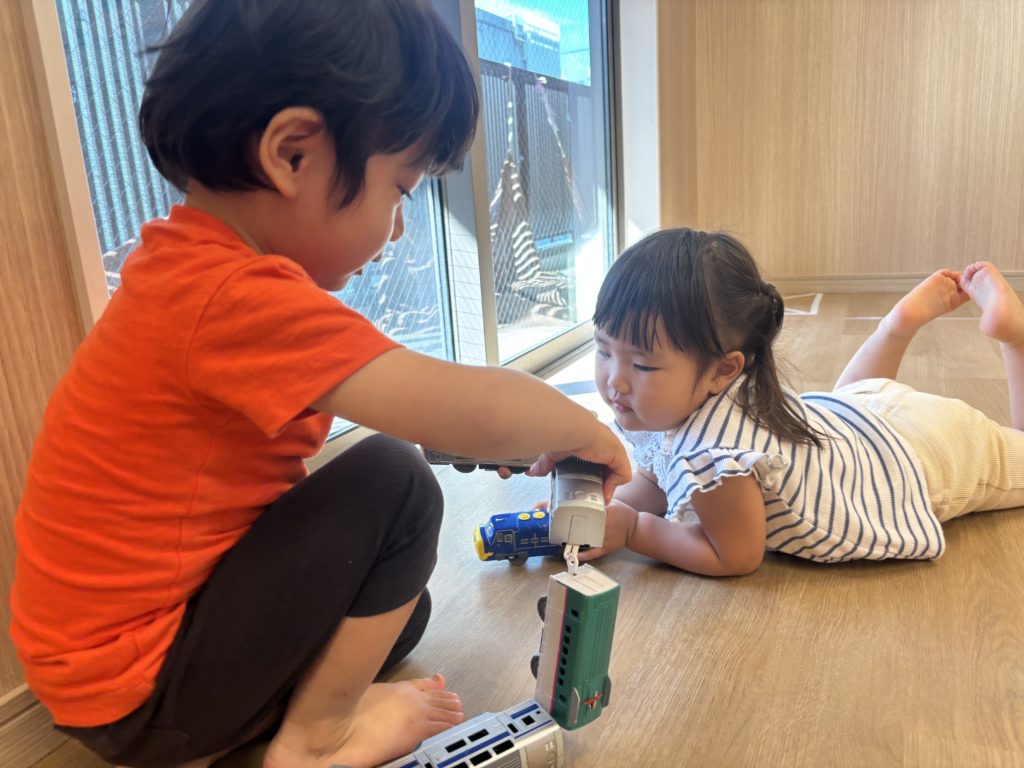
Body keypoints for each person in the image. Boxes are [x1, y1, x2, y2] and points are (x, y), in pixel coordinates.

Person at [8, 2, 630, 768]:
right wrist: (582, 429)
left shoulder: (184, 268)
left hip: (120, 676)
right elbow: (453, 406)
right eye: (400, 189)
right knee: (396, 486)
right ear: (293, 154)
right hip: (144, 693)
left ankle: (259, 726)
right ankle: (312, 742)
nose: (398, 227)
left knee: (397, 606)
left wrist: (483, 437)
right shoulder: (235, 297)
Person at [569, 227, 1024, 577]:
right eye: (604, 351)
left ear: (723, 370)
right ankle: (895, 327)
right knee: (846, 406)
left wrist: (634, 530)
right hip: (863, 418)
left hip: (923, 458)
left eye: (642, 365)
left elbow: (735, 554)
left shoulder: (713, 455)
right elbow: (656, 479)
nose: (615, 381)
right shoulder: (699, 391)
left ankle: (1016, 339)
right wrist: (599, 508)